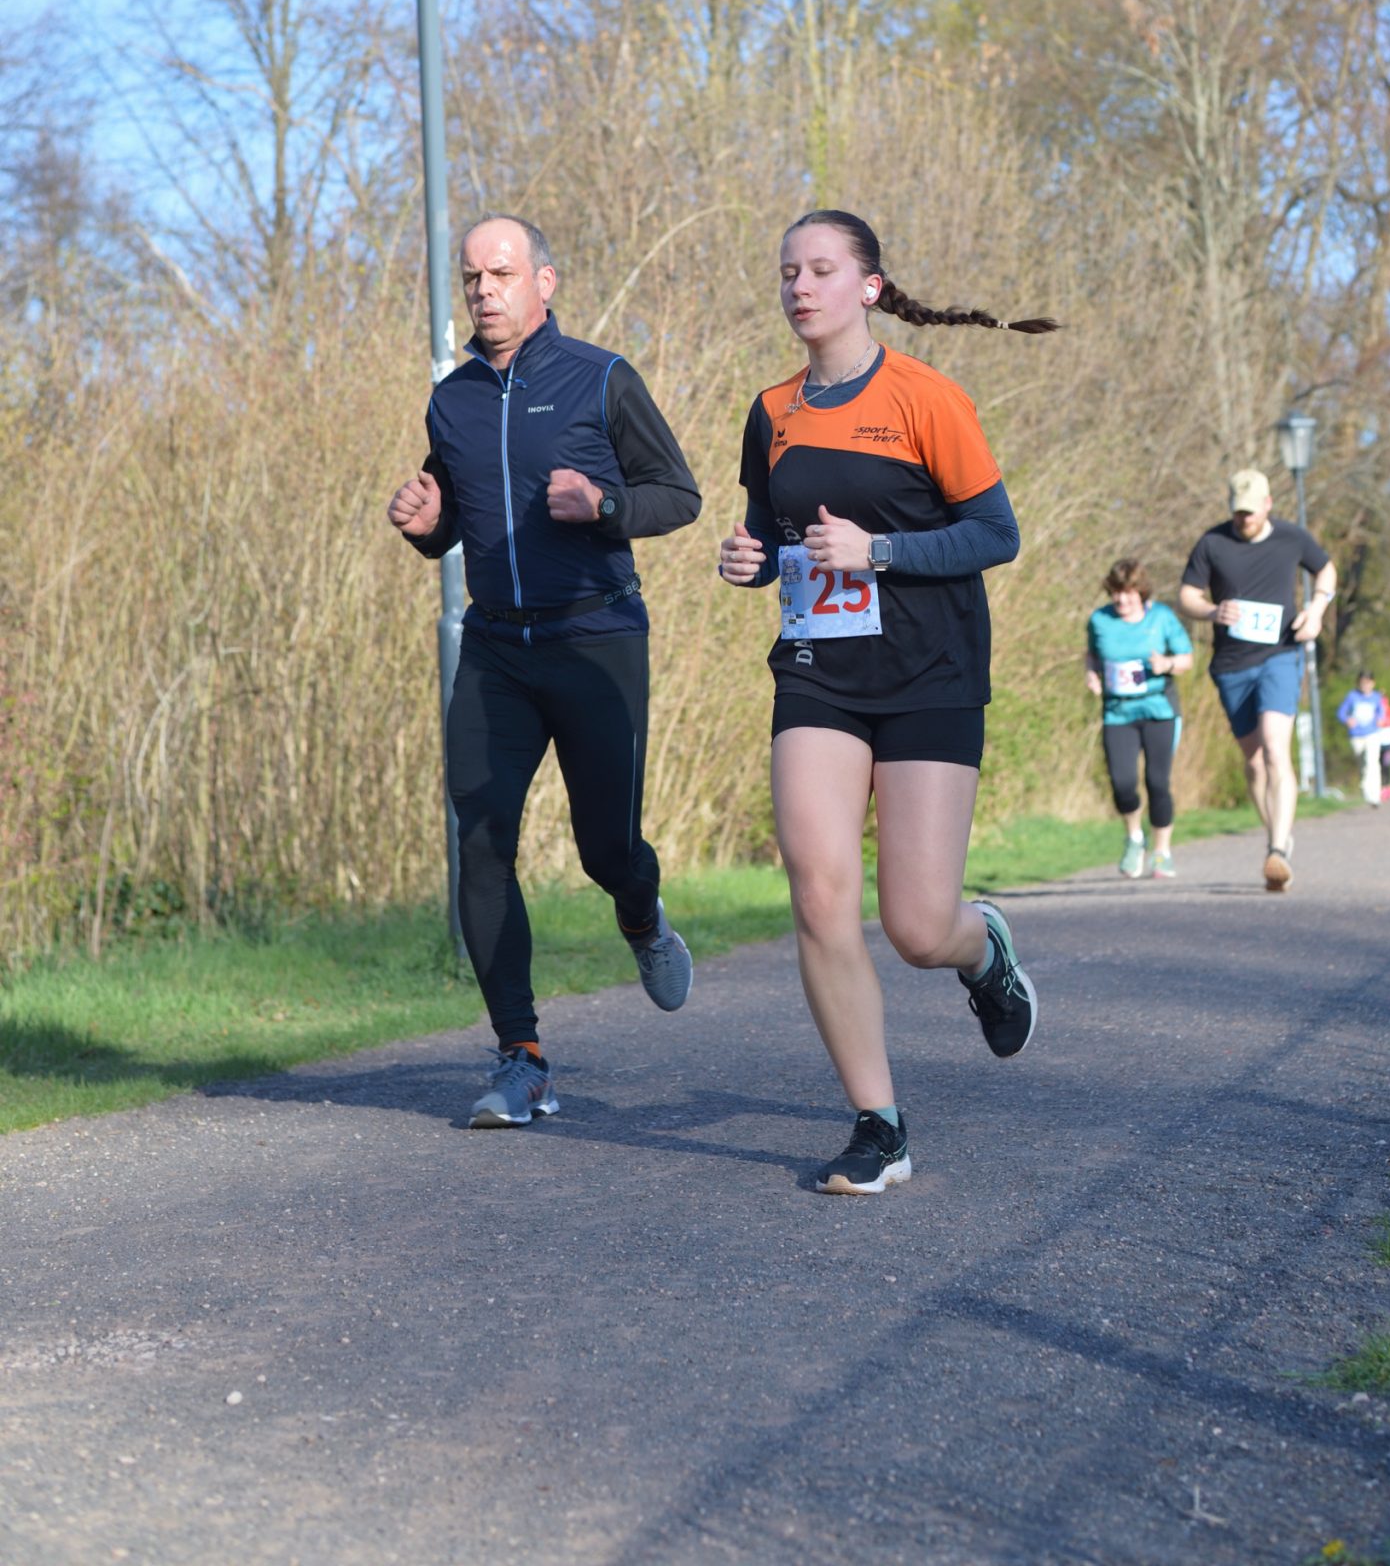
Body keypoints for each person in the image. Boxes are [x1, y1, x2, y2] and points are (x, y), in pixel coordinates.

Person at [717, 210, 1055, 1197]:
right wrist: (747, 559)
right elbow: (772, 531)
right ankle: (879, 1124)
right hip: (818, 670)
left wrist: (882, 551)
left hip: (929, 672)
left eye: (821, 269)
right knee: (819, 891)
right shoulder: (771, 410)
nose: (800, 286)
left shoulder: (925, 396)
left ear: (868, 286)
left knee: (916, 927)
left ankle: (981, 949)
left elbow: (996, 534)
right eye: (788, 271)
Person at [387, 215, 702, 1130]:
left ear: (544, 282)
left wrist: (603, 506)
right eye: (472, 277)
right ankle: (520, 1057)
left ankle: (640, 915)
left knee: (608, 850)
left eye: (501, 273)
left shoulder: (602, 378)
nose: (484, 291)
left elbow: (678, 495)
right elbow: (453, 513)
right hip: (496, 649)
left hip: (596, 637)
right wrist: (427, 528)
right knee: (481, 840)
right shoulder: (451, 401)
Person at [1179, 469, 1336, 893]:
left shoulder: (1291, 538)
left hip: (1280, 655)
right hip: (1231, 665)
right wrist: (1212, 611)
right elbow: (1187, 595)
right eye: (1238, 511)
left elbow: (1326, 570)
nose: (1243, 519)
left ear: (1268, 504)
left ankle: (1278, 849)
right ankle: (1277, 837)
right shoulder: (1212, 543)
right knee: (1253, 761)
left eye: (1250, 511)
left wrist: (1317, 610)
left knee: (1274, 747)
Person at [1084, 557, 1193, 878]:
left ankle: (1162, 852)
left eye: (1129, 593)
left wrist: (1167, 664)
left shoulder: (1161, 618)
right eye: (1116, 593)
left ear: (1141, 592)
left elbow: (1186, 658)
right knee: (1122, 784)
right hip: (1118, 713)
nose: (1122, 600)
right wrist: (1091, 675)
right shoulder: (1100, 620)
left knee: (1157, 782)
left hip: (1159, 710)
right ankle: (1134, 837)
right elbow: (1092, 654)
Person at [1334, 669, 1390, 807]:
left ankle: (1374, 796)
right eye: (1362, 683)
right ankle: (1366, 789)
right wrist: (1347, 719)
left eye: (1368, 683)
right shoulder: (1352, 696)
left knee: (1372, 762)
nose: (1365, 686)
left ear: (1373, 683)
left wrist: (1380, 719)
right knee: (1363, 764)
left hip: (1372, 734)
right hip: (1356, 735)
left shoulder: (1377, 697)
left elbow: (1381, 712)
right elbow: (1341, 713)